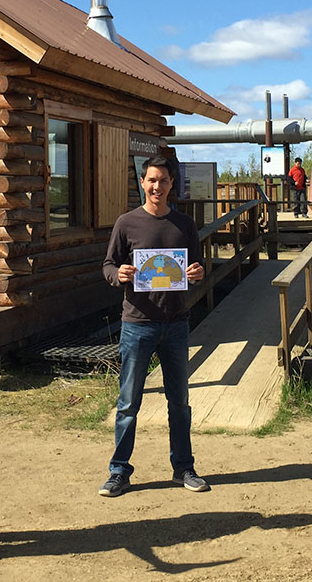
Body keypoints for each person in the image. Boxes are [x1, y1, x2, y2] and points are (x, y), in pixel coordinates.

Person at [100, 155, 209, 498]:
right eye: (151, 180)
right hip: (137, 324)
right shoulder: (126, 223)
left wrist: (197, 272)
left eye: (163, 180)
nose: (157, 186)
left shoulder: (184, 224)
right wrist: (117, 275)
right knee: (128, 403)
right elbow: (108, 265)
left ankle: (184, 468)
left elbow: (197, 265)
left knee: (179, 403)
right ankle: (119, 472)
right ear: (142, 183)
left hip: (176, 324)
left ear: (171, 184)